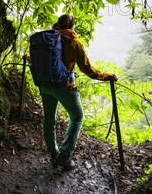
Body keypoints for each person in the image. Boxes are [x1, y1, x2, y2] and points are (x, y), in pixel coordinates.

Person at [32, 14, 117, 171]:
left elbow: (36, 59)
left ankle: (53, 153)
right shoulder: (73, 42)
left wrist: (27, 58)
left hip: (44, 85)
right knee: (77, 117)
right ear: (72, 26)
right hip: (64, 87)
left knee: (49, 119)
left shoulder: (47, 38)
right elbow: (87, 69)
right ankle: (64, 156)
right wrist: (107, 76)